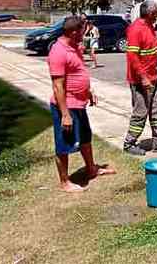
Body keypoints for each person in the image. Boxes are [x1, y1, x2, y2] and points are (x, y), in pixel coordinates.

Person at [47, 16, 115, 193]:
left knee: (85, 138)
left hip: (79, 103)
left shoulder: (74, 47)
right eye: (83, 31)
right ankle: (65, 182)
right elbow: (58, 86)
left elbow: (78, 72)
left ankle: (91, 169)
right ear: (73, 32)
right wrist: (65, 114)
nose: (85, 34)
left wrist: (88, 91)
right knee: (64, 145)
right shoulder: (58, 52)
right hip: (67, 106)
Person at [123, 0, 157, 156]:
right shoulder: (136, 29)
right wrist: (143, 77)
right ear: (151, 13)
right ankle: (129, 143)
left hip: (153, 78)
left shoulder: (149, 28)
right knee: (141, 112)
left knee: (156, 110)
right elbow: (132, 56)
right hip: (140, 81)